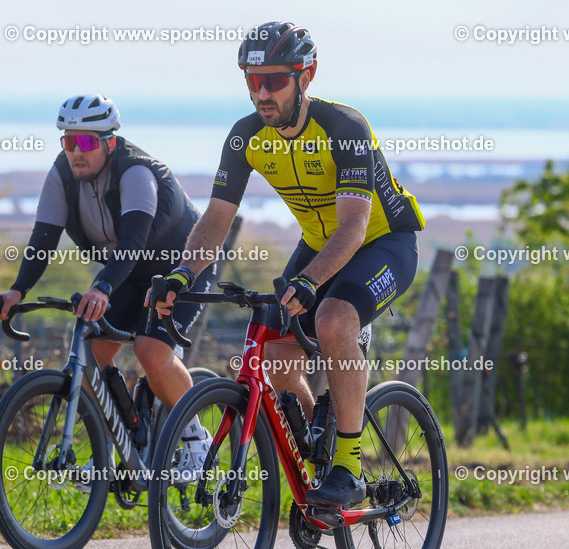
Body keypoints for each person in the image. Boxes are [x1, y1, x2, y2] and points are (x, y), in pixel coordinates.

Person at [153, 22, 425, 507]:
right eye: (251, 80)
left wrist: (311, 280)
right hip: (321, 246)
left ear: (307, 75)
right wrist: (182, 274)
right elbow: (215, 220)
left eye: (274, 80)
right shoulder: (245, 137)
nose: (261, 92)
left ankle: (348, 464)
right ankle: (316, 446)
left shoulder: (345, 128)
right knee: (276, 358)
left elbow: (354, 229)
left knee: (332, 319)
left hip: (383, 242)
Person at [0, 94, 215, 482]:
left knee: (150, 349)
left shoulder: (136, 172)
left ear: (109, 142)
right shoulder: (62, 176)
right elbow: (43, 240)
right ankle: (118, 446)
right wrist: (16, 291)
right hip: (128, 275)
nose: (76, 151)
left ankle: (195, 438)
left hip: (180, 270)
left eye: (87, 142)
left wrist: (102, 287)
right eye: (68, 141)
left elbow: (133, 243)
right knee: (92, 350)